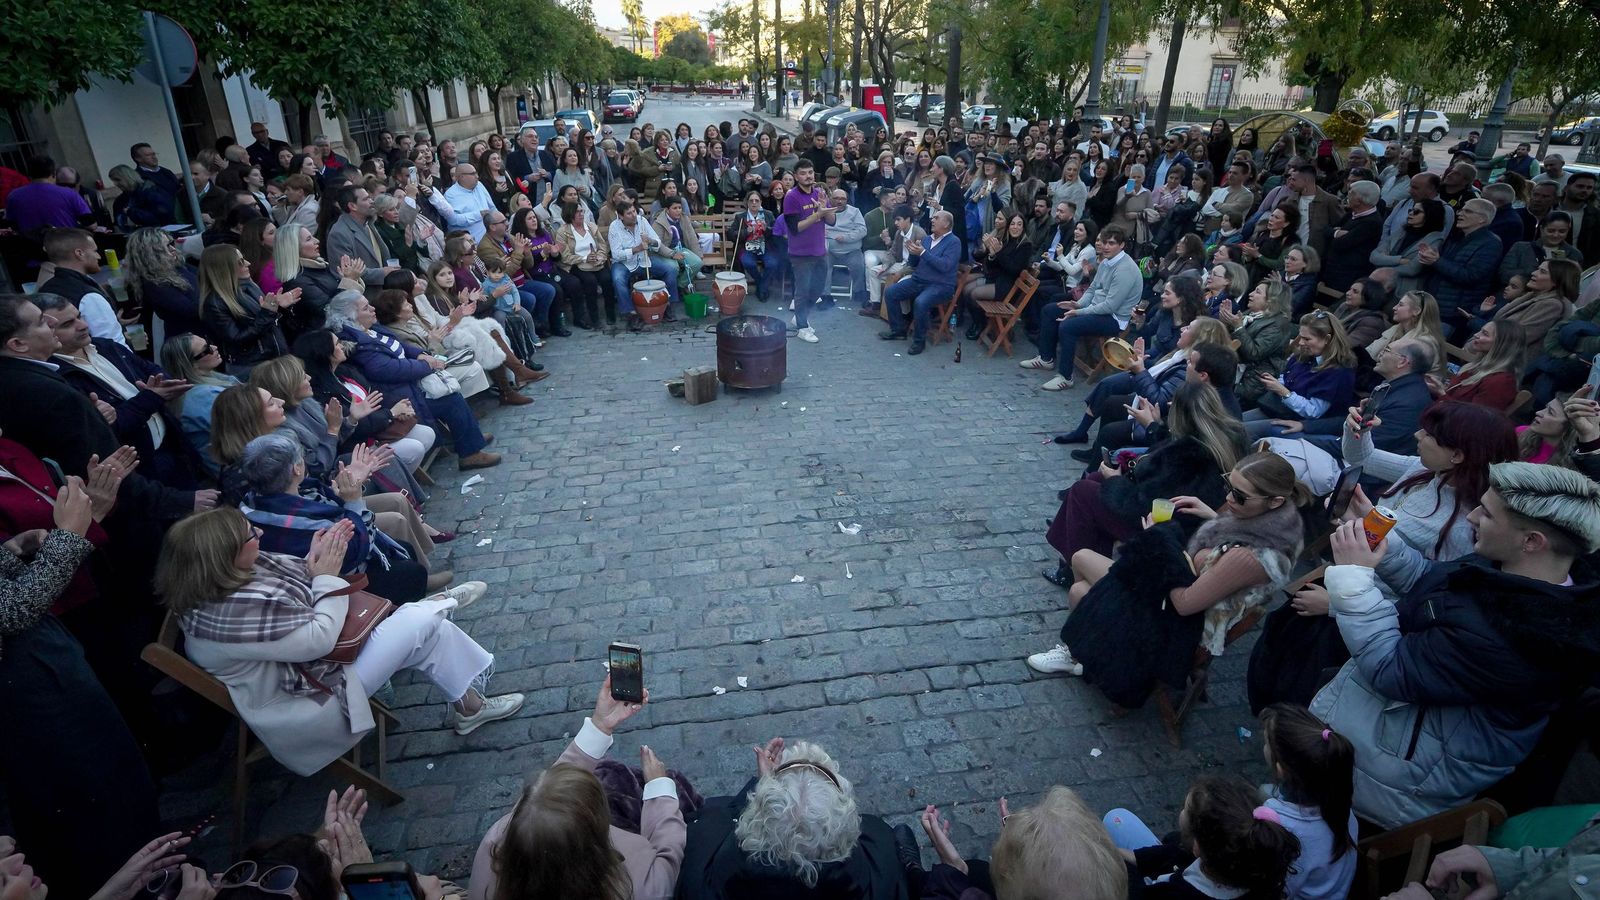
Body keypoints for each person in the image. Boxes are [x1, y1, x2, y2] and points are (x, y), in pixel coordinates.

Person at [1310, 462, 1600, 828]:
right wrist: (1380, 537)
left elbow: (1391, 668)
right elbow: (1431, 583)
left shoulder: (1525, 636)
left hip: (1386, 786)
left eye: (1487, 514)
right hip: (1381, 746)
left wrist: (1353, 579)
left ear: (1531, 541)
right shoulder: (1510, 570)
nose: (1472, 517)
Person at [154, 508, 524, 777]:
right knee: (417, 622)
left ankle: (470, 706)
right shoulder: (230, 615)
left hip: (314, 669)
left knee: (428, 631)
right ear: (224, 556)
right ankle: (439, 605)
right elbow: (319, 639)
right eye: (251, 535)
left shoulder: (227, 581)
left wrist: (314, 561)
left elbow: (299, 587)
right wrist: (326, 576)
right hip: (308, 700)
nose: (260, 534)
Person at [0, 447, 164, 900]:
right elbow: (11, 611)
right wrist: (69, 537)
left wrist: (15, 550)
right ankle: (142, 882)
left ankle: (151, 869)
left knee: (112, 774)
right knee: (95, 790)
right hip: (26, 683)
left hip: (41, 660)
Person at [1037, 449, 1309, 703]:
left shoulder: (1250, 557)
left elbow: (1184, 604)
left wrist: (1158, 539)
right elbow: (1228, 546)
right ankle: (1086, 648)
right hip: (1186, 587)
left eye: (1239, 496)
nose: (1228, 499)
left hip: (1180, 625)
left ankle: (1083, 652)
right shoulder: (1276, 526)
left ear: (1275, 501)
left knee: (1081, 585)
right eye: (1228, 486)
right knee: (1081, 562)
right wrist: (1212, 517)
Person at [469, 675, 686, 900]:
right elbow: (667, 861)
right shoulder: (634, 887)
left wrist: (600, 726)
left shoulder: (495, 845)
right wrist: (659, 789)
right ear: (594, 836)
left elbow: (553, 796)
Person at [1037, 381, 1244, 591]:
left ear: (1181, 415)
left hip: (1167, 527)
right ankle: (1076, 560)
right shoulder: (1225, 438)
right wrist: (1153, 426)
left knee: (1082, 492)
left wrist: (1115, 480)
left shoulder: (1187, 457)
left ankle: (1073, 569)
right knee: (1094, 481)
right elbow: (1173, 451)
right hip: (1186, 518)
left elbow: (1140, 503)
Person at [674, 738, 905, 900]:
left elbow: (721, 820)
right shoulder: (884, 866)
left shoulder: (698, 872)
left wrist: (762, 789)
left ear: (755, 820)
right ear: (845, 828)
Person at [327, 289, 501, 470]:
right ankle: (470, 453)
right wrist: (427, 365)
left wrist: (421, 355)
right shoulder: (357, 344)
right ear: (351, 317)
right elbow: (389, 369)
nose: (372, 309)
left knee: (450, 393)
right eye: (365, 308)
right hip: (396, 395)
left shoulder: (371, 329)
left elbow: (400, 345)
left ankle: (469, 438)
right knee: (450, 400)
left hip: (410, 383)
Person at [1104, 776, 1301, 899]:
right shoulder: (1255, 868)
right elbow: (1176, 853)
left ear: (1197, 846)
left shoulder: (1176, 894)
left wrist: (1116, 865)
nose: (1182, 811)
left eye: (1185, 809)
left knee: (1117, 819)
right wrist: (1129, 856)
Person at [1255, 705, 1357, 900]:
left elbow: (1280, 890)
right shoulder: (1342, 807)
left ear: (1281, 769)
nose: (1264, 746)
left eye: (1267, 742)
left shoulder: (1283, 830)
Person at [1024, 224, 1143, 391]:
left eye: (1111, 243)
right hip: (1097, 309)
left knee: (1068, 326)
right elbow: (1092, 289)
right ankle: (1046, 358)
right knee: (1050, 310)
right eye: (1104, 242)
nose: (1106, 247)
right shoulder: (1107, 262)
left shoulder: (1125, 270)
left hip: (1114, 319)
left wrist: (1078, 312)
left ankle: (1066, 377)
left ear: (1122, 245)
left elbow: (1110, 306)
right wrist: (1078, 304)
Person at [1242, 312, 1358, 441]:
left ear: (1327, 339)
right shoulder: (1303, 355)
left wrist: (1283, 392)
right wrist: (1274, 383)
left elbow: (1314, 412)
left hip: (1304, 425)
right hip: (1278, 410)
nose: (1301, 342)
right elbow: (1285, 376)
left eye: (1307, 339)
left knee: (1239, 432)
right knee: (1232, 423)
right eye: (1300, 337)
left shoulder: (1338, 372)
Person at [197, 243, 297, 377]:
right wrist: (268, 312)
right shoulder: (214, 303)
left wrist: (278, 307)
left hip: (274, 358)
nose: (248, 263)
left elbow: (266, 321)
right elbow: (237, 338)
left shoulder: (249, 286)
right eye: (240, 262)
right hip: (251, 367)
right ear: (225, 269)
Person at [879, 209, 962, 355]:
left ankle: (919, 341)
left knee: (921, 302)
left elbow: (945, 266)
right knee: (891, 292)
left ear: (946, 224)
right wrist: (913, 252)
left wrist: (923, 252)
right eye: (933, 217)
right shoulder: (927, 239)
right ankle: (898, 330)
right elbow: (914, 264)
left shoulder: (954, 242)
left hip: (940, 285)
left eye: (936, 218)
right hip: (919, 280)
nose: (932, 220)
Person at [1420, 198, 1503, 333]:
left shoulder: (1491, 243)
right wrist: (1428, 259)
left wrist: (1437, 261)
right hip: (1432, 306)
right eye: (1461, 210)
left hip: (1452, 313)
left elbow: (1471, 276)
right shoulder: (1457, 236)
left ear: (1482, 219)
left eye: (1468, 211)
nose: (1459, 214)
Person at [35, 229, 126, 348]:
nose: (98, 256)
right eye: (95, 251)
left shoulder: (46, 289)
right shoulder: (88, 296)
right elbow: (114, 345)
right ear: (79, 253)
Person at [783, 160, 837, 344]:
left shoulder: (819, 193)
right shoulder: (791, 197)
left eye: (810, 172)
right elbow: (795, 228)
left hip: (819, 251)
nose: (808, 176)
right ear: (796, 176)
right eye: (803, 173)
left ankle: (800, 316)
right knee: (803, 290)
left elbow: (832, 221)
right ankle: (802, 327)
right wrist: (817, 215)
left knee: (818, 289)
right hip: (800, 254)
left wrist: (824, 207)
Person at [1486, 258, 1579, 359]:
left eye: (1542, 272)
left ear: (1556, 281)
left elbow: (1518, 337)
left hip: (1507, 361)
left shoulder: (1551, 305)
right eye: (1537, 269)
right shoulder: (1534, 296)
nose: (1533, 273)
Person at [1228, 279, 1298, 411]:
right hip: (1233, 372)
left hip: (1250, 382)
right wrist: (1226, 322)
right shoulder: (1252, 314)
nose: (1251, 294)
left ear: (1271, 300)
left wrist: (1238, 327)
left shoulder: (1278, 325)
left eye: (1257, 292)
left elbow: (1254, 353)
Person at [607, 200, 676, 332]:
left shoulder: (642, 221)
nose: (633, 215)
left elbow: (657, 243)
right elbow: (616, 254)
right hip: (624, 263)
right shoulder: (614, 227)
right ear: (620, 216)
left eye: (634, 211)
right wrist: (636, 249)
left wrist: (650, 241)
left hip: (644, 260)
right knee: (617, 279)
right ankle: (630, 313)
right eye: (629, 213)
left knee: (670, 269)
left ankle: (667, 305)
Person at [1443, 320, 1523, 412]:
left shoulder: (1501, 382)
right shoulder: (1475, 366)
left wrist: (1441, 395)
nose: (1476, 335)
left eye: (1485, 334)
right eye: (1480, 331)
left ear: (1501, 344)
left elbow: (1474, 417)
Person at [4, 155, 91, 231]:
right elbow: (90, 224)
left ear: (29, 175)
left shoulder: (13, 196)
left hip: (31, 243)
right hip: (67, 242)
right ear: (53, 174)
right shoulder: (70, 193)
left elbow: (12, 225)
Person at [1500, 211, 1583, 286]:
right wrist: (1535, 273)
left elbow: (1574, 282)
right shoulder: (1520, 247)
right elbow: (1504, 274)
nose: (1556, 235)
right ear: (1541, 229)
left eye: (1562, 231)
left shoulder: (1573, 254)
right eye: (1551, 231)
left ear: (1568, 231)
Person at [729, 191, 779, 304]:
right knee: (748, 263)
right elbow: (731, 234)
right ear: (747, 203)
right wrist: (746, 231)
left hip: (765, 247)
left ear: (761, 202)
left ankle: (761, 287)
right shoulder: (740, 217)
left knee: (772, 264)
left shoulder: (768, 215)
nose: (754, 203)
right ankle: (762, 285)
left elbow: (776, 232)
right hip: (747, 248)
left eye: (757, 200)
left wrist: (767, 229)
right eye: (751, 201)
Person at [825, 187, 870, 309]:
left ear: (847, 200)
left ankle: (857, 291)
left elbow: (862, 230)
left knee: (859, 265)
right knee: (823, 265)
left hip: (851, 250)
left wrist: (846, 237)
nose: (839, 201)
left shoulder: (854, 212)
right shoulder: (825, 211)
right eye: (836, 198)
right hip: (829, 250)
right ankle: (825, 296)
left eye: (842, 199)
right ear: (830, 199)